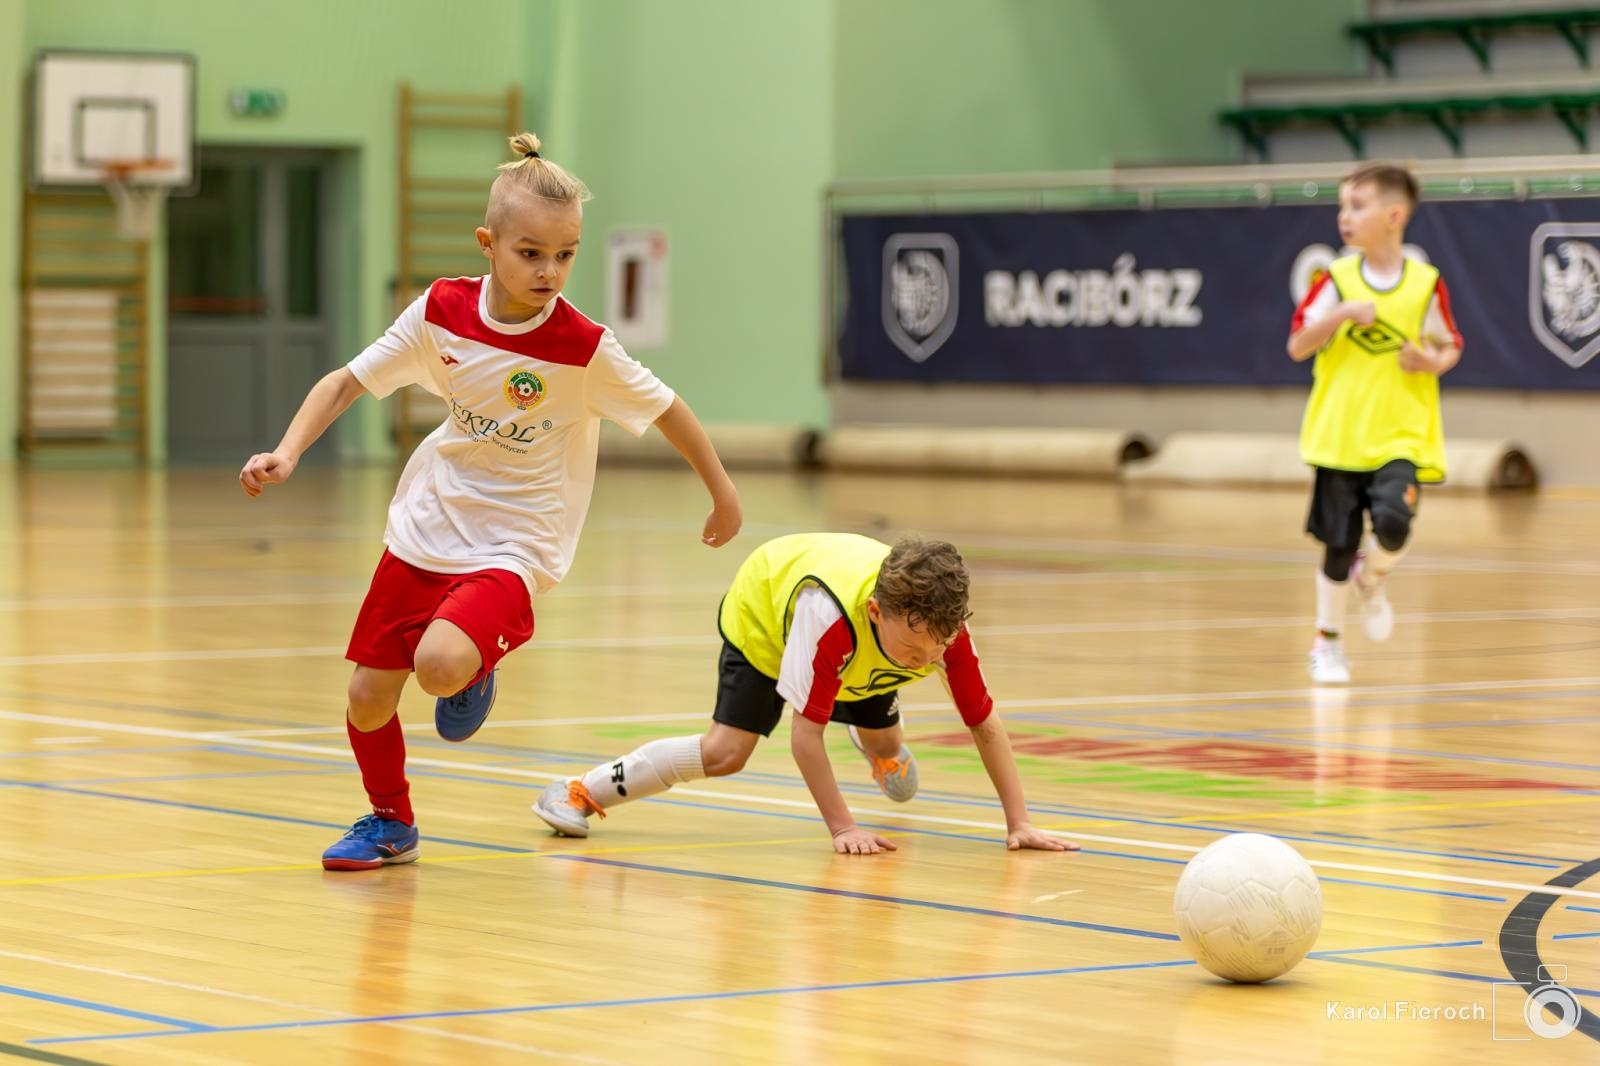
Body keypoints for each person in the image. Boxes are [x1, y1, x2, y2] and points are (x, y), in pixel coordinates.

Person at [239, 132, 743, 870]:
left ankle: (476, 663)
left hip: (516, 544)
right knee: (366, 698)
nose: (550, 270)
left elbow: (669, 407)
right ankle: (391, 824)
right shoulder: (441, 311)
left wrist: (722, 492)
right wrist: (287, 451)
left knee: (441, 664)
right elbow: (347, 381)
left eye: (566, 254)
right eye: (531, 252)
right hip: (428, 525)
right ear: (488, 242)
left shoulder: (583, 347)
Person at [533, 532, 1077, 855]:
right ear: (875, 613)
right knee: (727, 753)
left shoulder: (938, 634)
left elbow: (984, 724)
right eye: (916, 651)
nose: (929, 662)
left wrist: (1019, 822)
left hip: (859, 654)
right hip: (769, 618)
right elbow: (805, 737)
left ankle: (876, 746)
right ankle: (579, 790)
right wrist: (844, 827)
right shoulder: (831, 619)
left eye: (938, 649)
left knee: (886, 743)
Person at [1287, 162, 1462, 684]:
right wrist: (1340, 315)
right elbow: (1297, 345)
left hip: (1400, 435)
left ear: (1394, 215)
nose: (1345, 216)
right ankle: (1328, 642)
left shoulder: (1425, 284)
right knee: (1337, 546)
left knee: (1394, 523)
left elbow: (1450, 345)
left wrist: (1430, 362)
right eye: (1342, 206)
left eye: (1357, 206)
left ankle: (1376, 573)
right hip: (1341, 437)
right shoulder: (1334, 281)